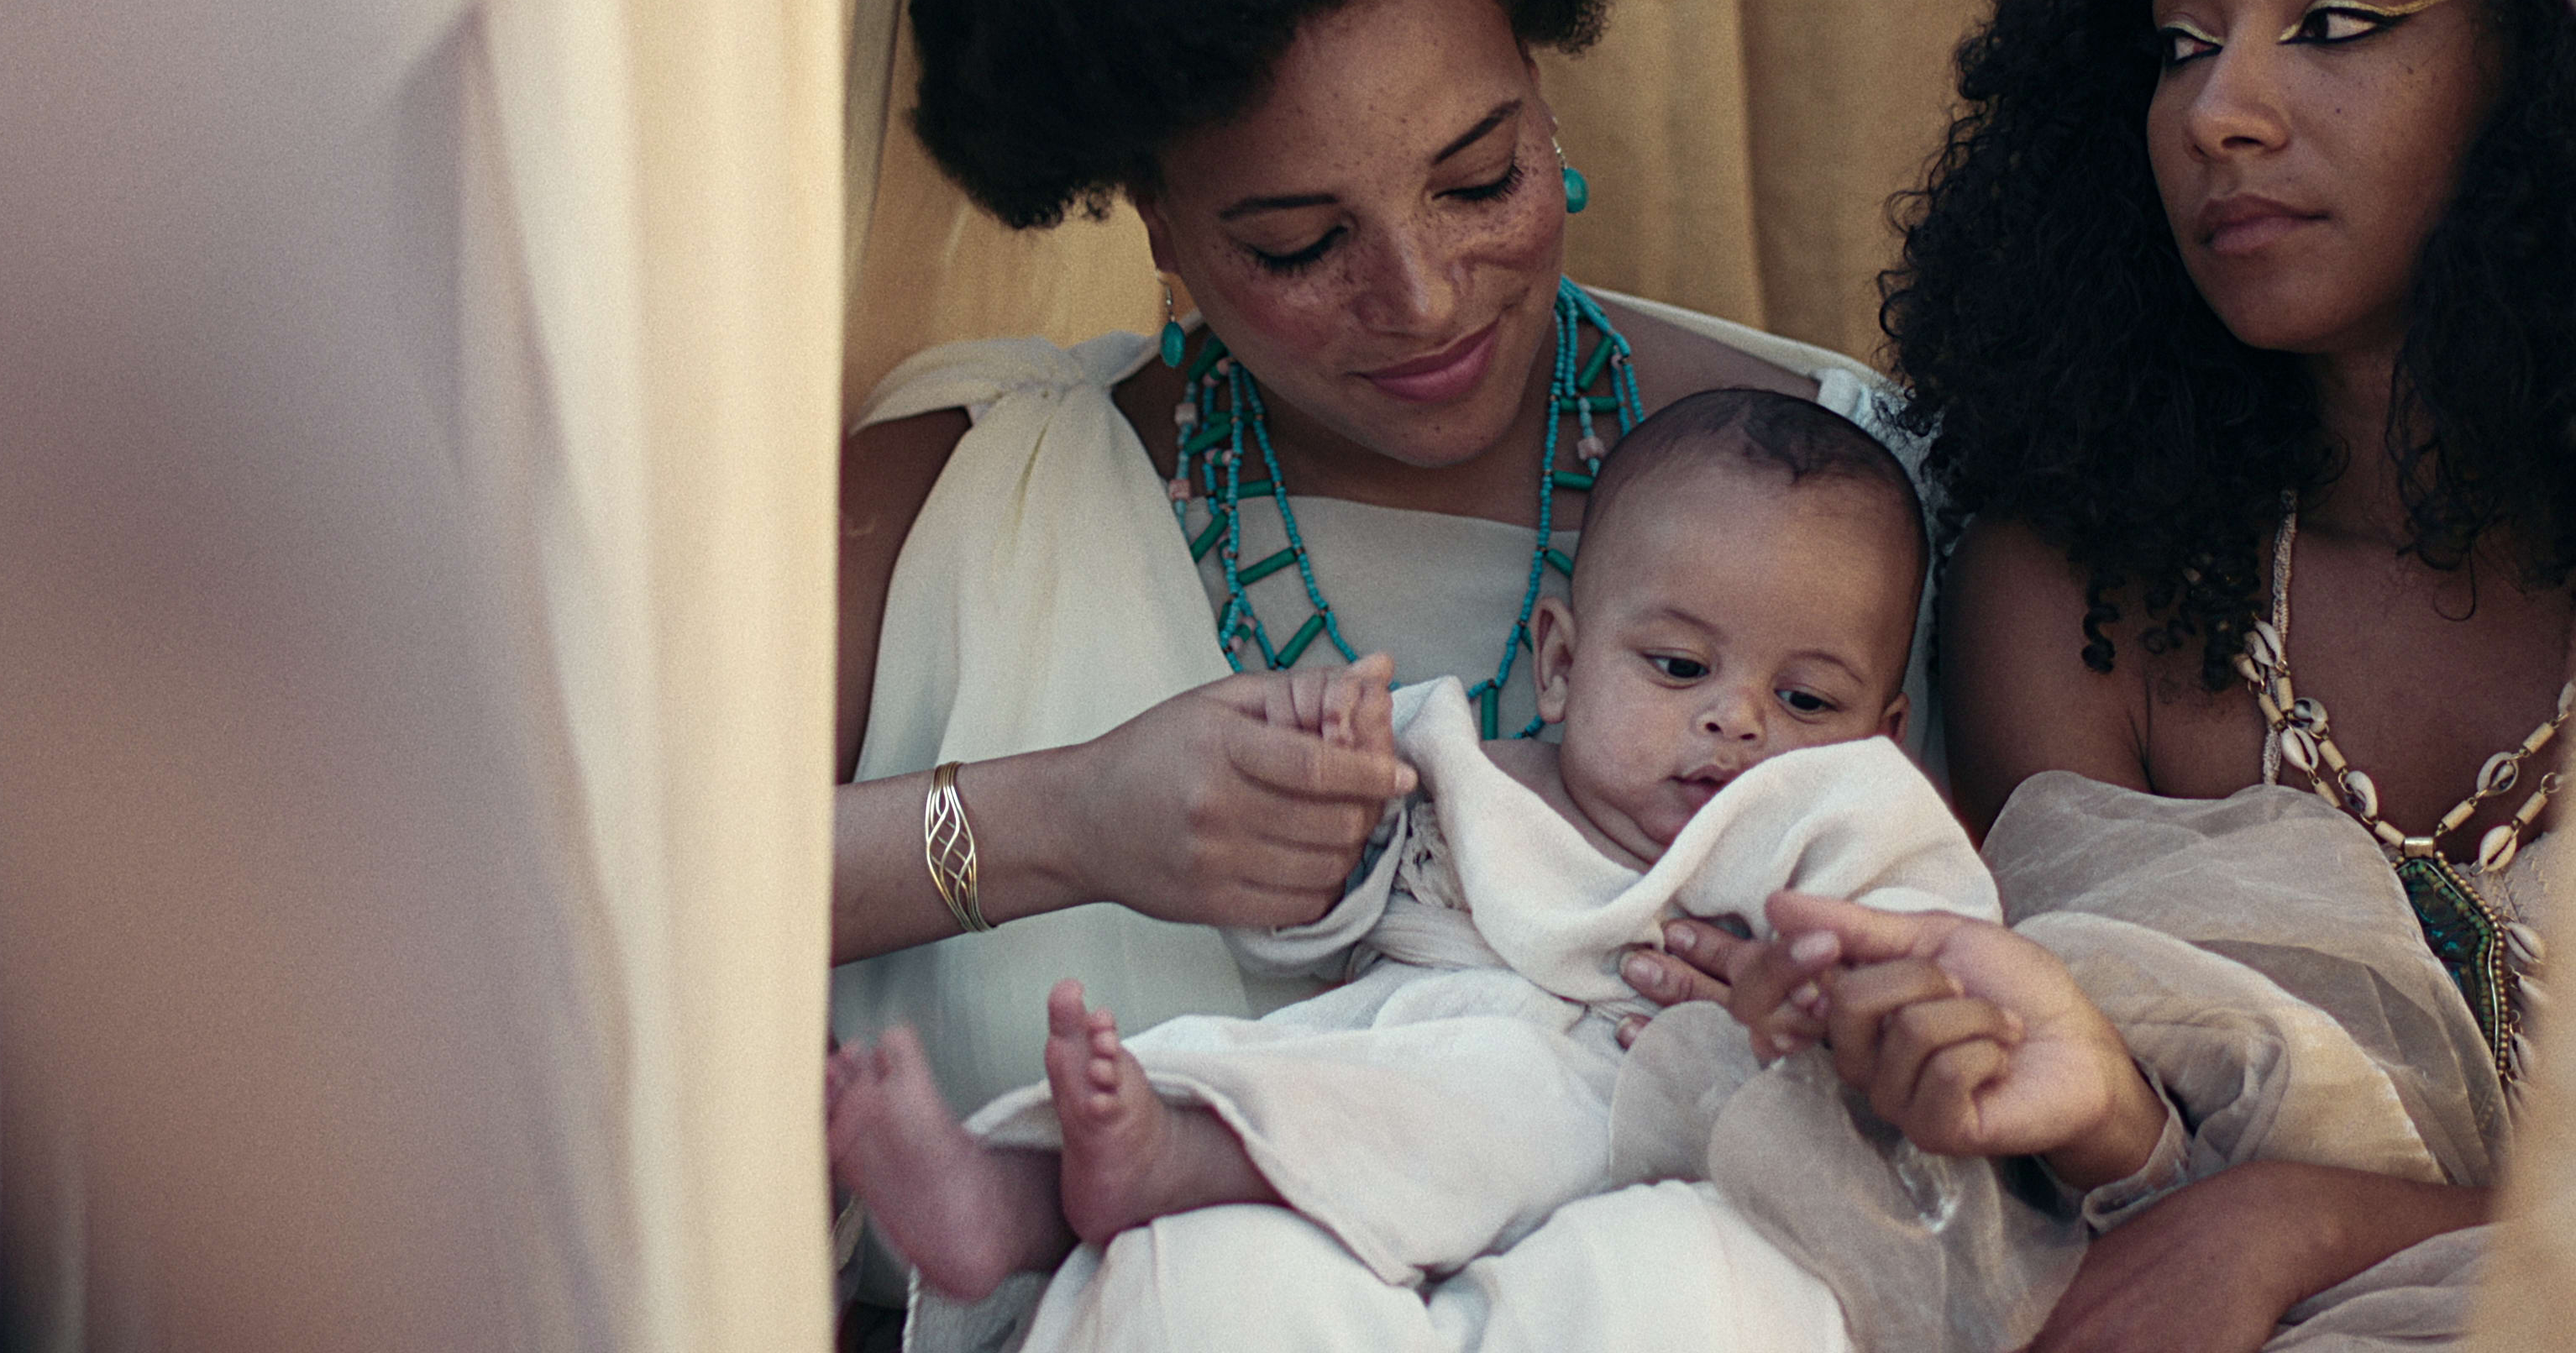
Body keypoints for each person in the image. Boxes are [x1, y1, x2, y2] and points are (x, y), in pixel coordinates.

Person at [826, 0, 1898, 1340]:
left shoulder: (1841, 488)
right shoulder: (965, 504)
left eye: (1479, 181)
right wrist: (1056, 821)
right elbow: (581, 915)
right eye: (1298, 241)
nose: (1417, 299)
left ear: (1549, 98)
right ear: (1156, 226)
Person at [829, 393, 2169, 1350]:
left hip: (1664, 1104)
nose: (1738, 720)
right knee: (1270, 1071)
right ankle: (1036, 1184)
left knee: (1536, 1127)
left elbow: (1931, 964)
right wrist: (1334, 799)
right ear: (1562, 660)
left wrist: (1809, 999)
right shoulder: (1461, 764)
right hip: (1404, 1057)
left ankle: (1117, 1172)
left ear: (1884, 730)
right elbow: (1325, 932)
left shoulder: (1847, 819)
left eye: (1807, 693)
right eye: (1680, 666)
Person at [1874, 0, 2576, 1350]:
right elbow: (2072, 1182)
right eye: (2181, 43)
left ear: (2567, 58)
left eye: (2340, 22)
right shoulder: (2083, 586)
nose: (2222, 113)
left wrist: (2312, 1215)